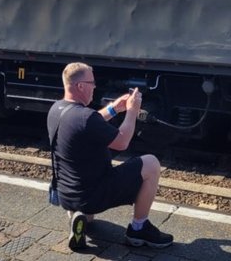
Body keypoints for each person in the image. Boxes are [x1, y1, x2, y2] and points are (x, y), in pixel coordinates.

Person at [46, 62, 173, 251]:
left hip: (67, 196)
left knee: (87, 214)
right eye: (92, 82)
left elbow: (87, 123)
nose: (95, 86)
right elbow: (122, 142)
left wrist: (114, 108)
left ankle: (78, 216)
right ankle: (138, 229)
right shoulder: (85, 118)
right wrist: (132, 111)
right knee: (151, 163)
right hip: (92, 196)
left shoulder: (57, 109)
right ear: (80, 86)